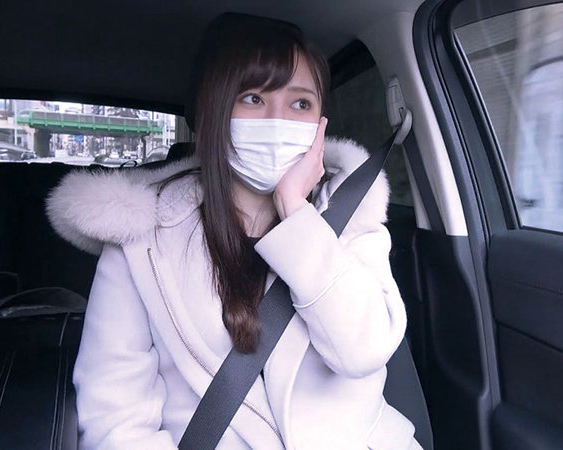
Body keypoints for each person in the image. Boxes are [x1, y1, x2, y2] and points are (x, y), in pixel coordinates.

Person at [46, 13, 420, 450]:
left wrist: (296, 212)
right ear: (213, 113)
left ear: (320, 124)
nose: (277, 121)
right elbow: (117, 420)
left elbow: (364, 350)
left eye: (300, 104)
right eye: (253, 98)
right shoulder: (140, 241)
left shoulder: (350, 214)